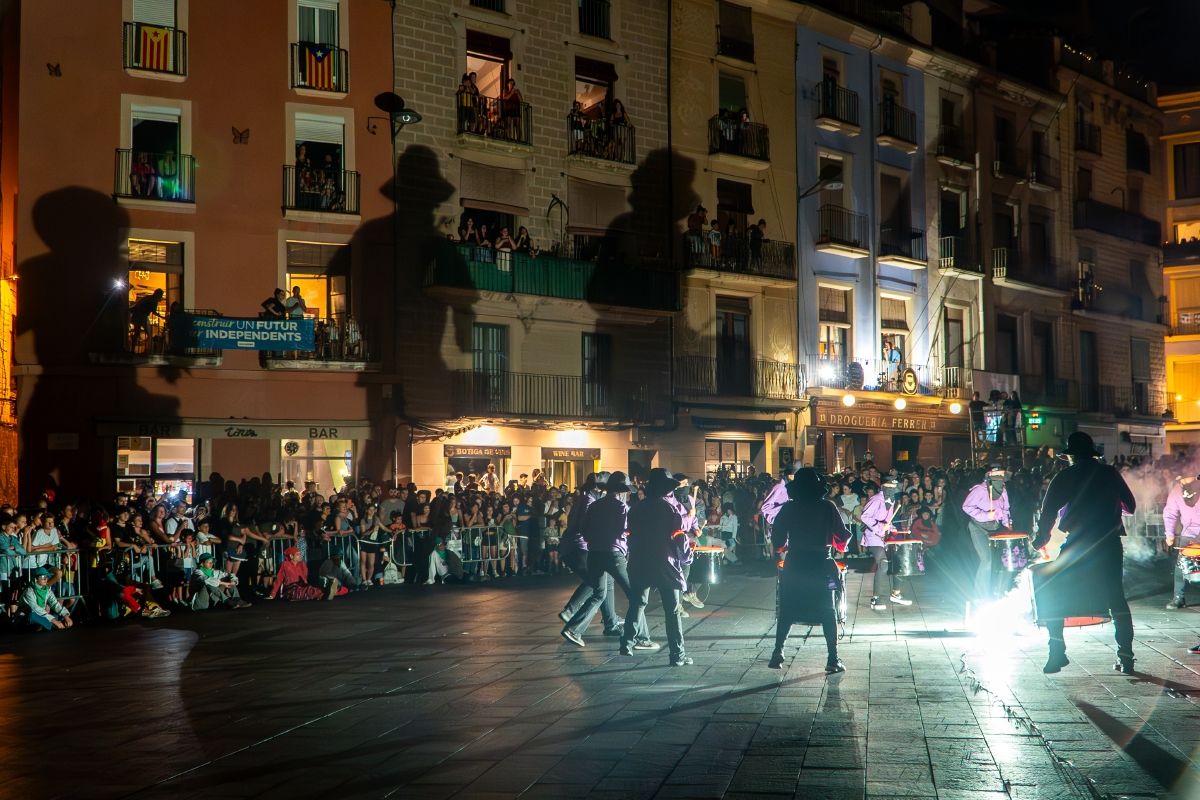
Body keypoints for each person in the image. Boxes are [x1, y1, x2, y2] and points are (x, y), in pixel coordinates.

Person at [1031, 432, 1137, 674]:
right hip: (1109, 544)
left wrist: (1041, 539)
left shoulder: (1066, 475)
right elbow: (1130, 507)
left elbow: (1048, 512)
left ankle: (1056, 652)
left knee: (1053, 590)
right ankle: (1126, 657)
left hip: (1078, 544)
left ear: (1070, 456)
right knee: (1116, 599)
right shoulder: (1109, 473)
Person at [769, 468, 851, 673]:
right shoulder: (827, 507)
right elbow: (841, 537)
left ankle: (777, 653)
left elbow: (777, 539)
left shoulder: (788, 508)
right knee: (828, 610)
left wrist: (782, 548)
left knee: (787, 608)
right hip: (821, 562)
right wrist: (838, 546)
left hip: (795, 562)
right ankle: (833, 658)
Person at [560, 471, 652, 649]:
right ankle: (641, 637)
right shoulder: (622, 508)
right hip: (614, 554)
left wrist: (595, 541)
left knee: (598, 594)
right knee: (635, 596)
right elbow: (626, 531)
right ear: (622, 491)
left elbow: (584, 529)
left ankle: (574, 629)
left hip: (594, 553)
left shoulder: (595, 505)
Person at [624, 468, 694, 666]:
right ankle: (677, 655)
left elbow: (629, 536)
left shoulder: (636, 509)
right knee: (672, 611)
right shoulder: (670, 510)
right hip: (665, 563)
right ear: (665, 490)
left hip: (639, 562)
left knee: (637, 603)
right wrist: (687, 558)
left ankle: (627, 642)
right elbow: (680, 540)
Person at [558, 473, 622, 638]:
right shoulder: (590, 501)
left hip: (575, 546)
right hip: (578, 547)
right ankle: (571, 612)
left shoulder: (584, 498)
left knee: (604, 581)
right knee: (599, 582)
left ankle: (611, 622)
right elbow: (584, 526)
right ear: (599, 487)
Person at [961, 468, 1012, 603]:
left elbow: (1006, 509)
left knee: (1002, 560)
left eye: (1002, 477)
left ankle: (998, 592)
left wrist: (1007, 524)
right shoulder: (979, 490)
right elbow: (966, 507)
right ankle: (980, 594)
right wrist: (985, 515)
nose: (1000, 480)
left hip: (995, 528)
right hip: (978, 528)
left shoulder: (1003, 490)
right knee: (987, 560)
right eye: (997, 477)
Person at [860, 480, 910, 609]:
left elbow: (888, 520)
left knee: (898, 561)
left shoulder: (892, 501)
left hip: (883, 537)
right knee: (883, 564)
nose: (892, 489)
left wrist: (891, 527)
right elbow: (865, 517)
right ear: (883, 488)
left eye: (894, 487)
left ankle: (896, 594)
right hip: (872, 536)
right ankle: (877, 598)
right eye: (890, 487)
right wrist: (880, 526)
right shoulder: (876, 500)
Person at [1163, 476, 1200, 609]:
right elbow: (1170, 513)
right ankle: (1178, 597)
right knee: (1181, 567)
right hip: (1188, 534)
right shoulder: (1176, 491)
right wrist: (1169, 534)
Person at [266, 546, 337, 601]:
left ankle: (326, 593)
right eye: (297, 554)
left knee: (310, 589)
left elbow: (304, 577)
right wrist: (273, 594)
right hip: (290, 589)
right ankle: (325, 593)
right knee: (304, 592)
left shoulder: (301, 564)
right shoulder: (285, 564)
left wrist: (304, 566)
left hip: (301, 586)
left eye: (300, 554)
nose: (300, 556)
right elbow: (279, 579)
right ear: (291, 556)